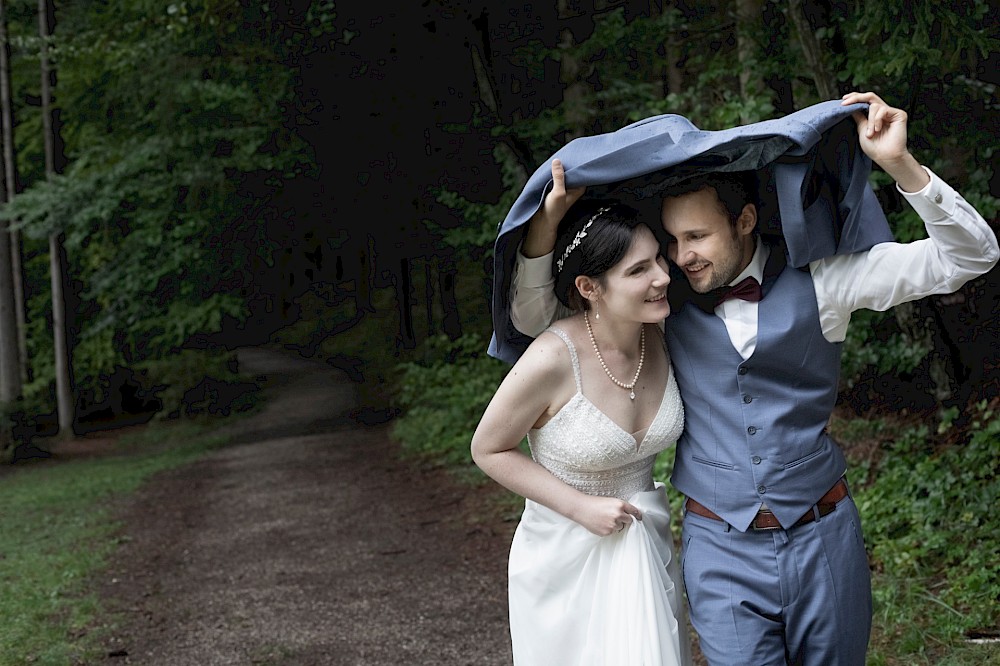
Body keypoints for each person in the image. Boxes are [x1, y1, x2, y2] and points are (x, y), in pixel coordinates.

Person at [502, 91, 999, 664]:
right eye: (671, 240)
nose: (680, 256)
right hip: (720, 550)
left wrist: (899, 164)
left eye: (696, 237)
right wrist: (546, 227)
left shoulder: (826, 284)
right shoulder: (662, 303)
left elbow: (971, 256)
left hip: (824, 536)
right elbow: (540, 322)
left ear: (744, 221)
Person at [470, 187, 694, 666]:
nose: (661, 277)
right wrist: (580, 507)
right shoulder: (553, 357)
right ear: (590, 288)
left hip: (645, 541)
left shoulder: (664, 333)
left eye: (657, 259)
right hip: (565, 553)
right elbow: (488, 449)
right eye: (638, 270)